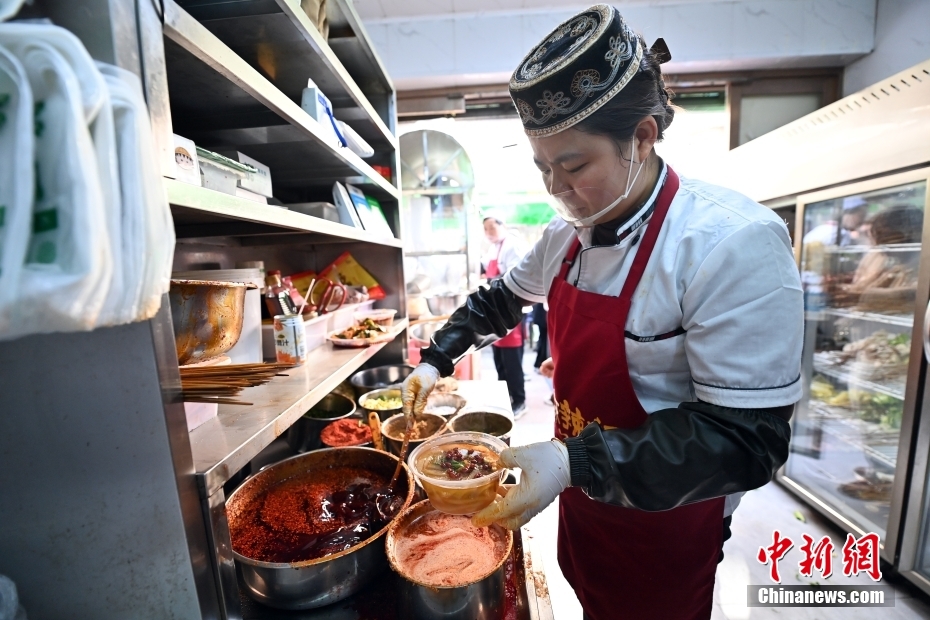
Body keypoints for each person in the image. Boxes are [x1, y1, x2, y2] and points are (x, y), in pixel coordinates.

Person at [402, 5, 802, 619]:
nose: (556, 190)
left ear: (642, 136)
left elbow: (747, 440)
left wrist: (573, 460)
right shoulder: (567, 236)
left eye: (574, 166)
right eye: (542, 168)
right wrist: (436, 357)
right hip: (586, 499)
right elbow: (501, 299)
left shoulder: (728, 243)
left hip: (668, 517)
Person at [482, 212, 528, 417]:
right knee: (499, 359)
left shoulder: (513, 244)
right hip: (496, 309)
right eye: (485, 229)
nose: (489, 233)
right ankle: (507, 396)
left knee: (512, 360)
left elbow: (515, 275)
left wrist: (491, 281)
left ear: (503, 225)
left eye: (492, 227)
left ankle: (519, 400)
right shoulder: (493, 248)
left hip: (512, 309)